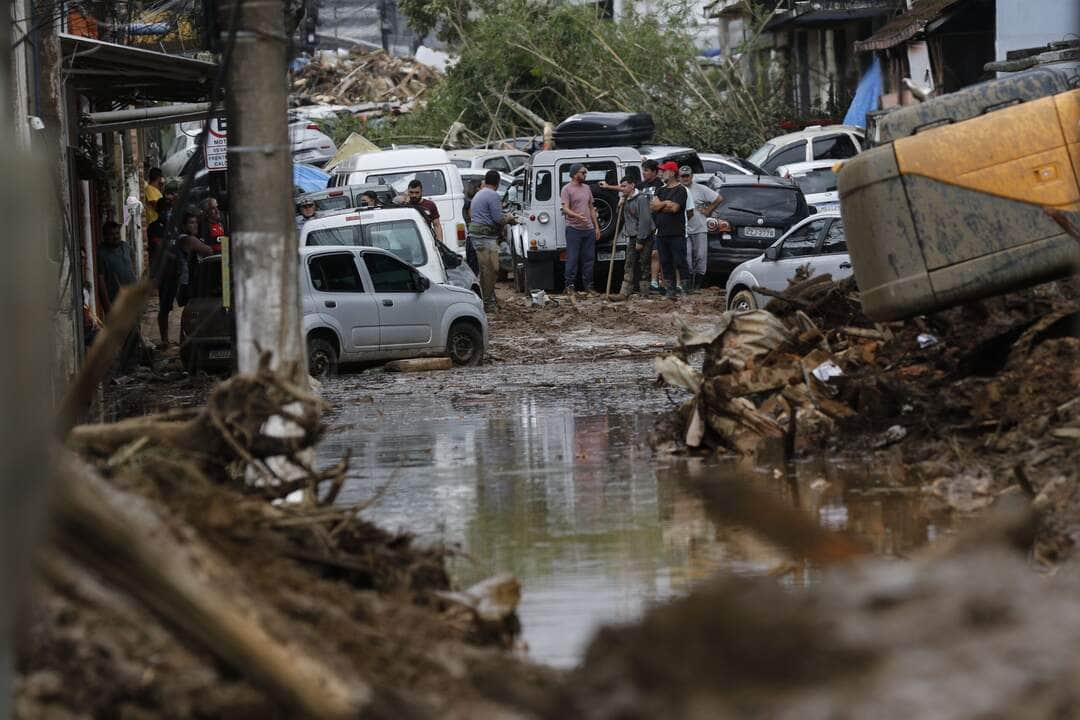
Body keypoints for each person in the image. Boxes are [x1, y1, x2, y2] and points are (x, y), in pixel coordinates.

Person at [157, 211, 213, 346]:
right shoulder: (189, 239)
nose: (195, 226)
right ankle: (180, 339)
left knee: (165, 309)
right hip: (180, 280)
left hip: (170, 277)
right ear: (183, 226)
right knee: (188, 309)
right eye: (191, 223)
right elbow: (209, 250)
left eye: (196, 222)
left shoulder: (176, 238)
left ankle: (165, 339)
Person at [468, 169, 517, 310]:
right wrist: (510, 219)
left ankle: (488, 298)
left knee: (485, 270)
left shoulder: (480, 193)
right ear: (498, 182)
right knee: (492, 269)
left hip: (478, 236)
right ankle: (487, 303)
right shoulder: (493, 195)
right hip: (484, 238)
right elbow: (498, 218)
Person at [97, 220, 142, 367]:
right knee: (123, 332)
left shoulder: (125, 246)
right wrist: (107, 305)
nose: (115, 237)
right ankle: (125, 364)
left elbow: (132, 268)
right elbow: (101, 279)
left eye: (117, 234)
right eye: (111, 235)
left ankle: (134, 361)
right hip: (116, 299)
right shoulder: (101, 253)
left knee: (135, 330)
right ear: (104, 236)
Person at [678, 166, 723, 293]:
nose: (685, 178)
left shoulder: (701, 189)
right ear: (679, 177)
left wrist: (708, 210)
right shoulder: (677, 190)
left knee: (700, 256)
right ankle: (688, 285)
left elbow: (718, 199)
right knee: (686, 257)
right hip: (684, 229)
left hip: (699, 228)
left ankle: (697, 286)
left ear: (692, 176)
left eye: (688, 176)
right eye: (683, 176)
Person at [650, 161, 690, 300]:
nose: (661, 173)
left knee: (680, 261)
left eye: (664, 171)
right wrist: (665, 203)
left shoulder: (681, 190)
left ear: (672, 172)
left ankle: (685, 289)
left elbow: (674, 208)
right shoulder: (660, 189)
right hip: (661, 232)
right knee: (665, 262)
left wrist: (661, 205)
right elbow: (653, 207)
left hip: (677, 232)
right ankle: (670, 290)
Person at [560, 163, 600, 294]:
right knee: (572, 258)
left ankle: (589, 286)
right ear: (575, 173)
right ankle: (569, 286)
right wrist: (577, 215)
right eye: (583, 172)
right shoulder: (566, 189)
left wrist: (596, 228)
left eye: (585, 172)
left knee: (589, 259)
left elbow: (591, 208)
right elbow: (565, 208)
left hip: (588, 229)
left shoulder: (587, 188)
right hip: (574, 229)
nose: (585, 174)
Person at [615, 175, 654, 298]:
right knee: (629, 264)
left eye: (624, 186)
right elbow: (621, 216)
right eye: (621, 186)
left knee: (644, 263)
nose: (622, 189)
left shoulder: (641, 198)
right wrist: (619, 204)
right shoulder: (626, 199)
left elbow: (645, 220)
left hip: (644, 235)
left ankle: (644, 293)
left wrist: (640, 240)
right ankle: (625, 292)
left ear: (632, 185)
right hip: (632, 235)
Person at [637, 159, 665, 294]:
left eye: (646, 170)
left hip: (657, 224)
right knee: (645, 256)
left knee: (656, 254)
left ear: (655, 172)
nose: (643, 173)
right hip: (643, 225)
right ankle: (648, 285)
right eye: (643, 170)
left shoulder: (661, 186)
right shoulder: (640, 186)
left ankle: (660, 283)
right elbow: (628, 189)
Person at [405, 179, 443, 243]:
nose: (414, 195)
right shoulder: (404, 206)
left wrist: (440, 243)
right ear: (408, 192)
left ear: (422, 192)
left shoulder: (430, 205)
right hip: (408, 241)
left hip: (427, 241)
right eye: (411, 192)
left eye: (417, 193)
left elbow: (437, 225)